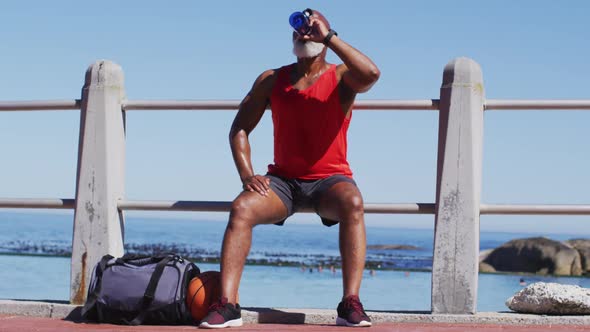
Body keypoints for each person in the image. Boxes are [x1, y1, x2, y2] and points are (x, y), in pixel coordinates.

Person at [199, 8, 380, 329]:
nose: (305, 33)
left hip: (330, 181)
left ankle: (349, 303)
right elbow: (239, 128)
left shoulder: (341, 76)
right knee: (241, 207)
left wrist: (330, 36)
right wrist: (246, 174)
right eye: (299, 29)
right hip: (282, 183)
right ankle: (227, 305)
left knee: (353, 202)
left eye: (313, 30)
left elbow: (371, 74)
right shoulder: (272, 79)